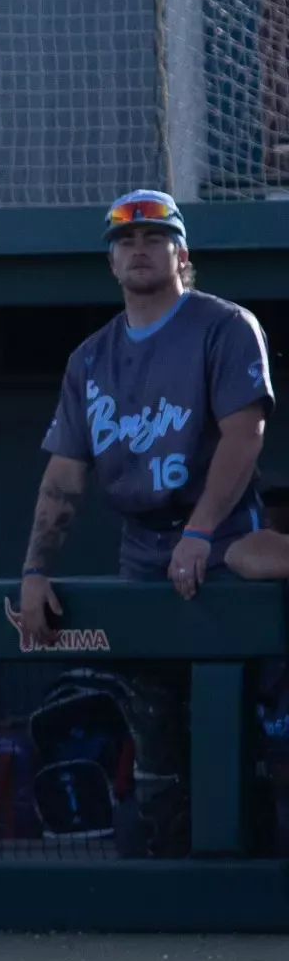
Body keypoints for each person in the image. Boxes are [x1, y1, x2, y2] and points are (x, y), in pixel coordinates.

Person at [19, 189, 289, 638]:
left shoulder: (225, 326)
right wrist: (33, 571)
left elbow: (245, 436)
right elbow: (63, 476)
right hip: (142, 553)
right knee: (150, 691)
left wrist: (200, 533)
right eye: (126, 241)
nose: (138, 248)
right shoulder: (89, 358)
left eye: (154, 238)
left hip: (225, 537)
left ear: (181, 254)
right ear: (112, 262)